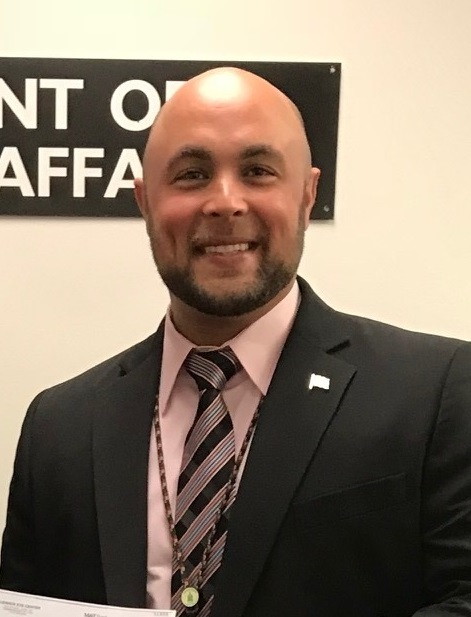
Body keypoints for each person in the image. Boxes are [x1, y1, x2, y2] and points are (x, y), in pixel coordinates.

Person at [1, 67, 471, 617]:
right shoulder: (59, 426)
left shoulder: (438, 393)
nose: (225, 202)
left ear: (307, 193)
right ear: (144, 201)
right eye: (193, 174)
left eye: (258, 170)